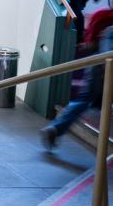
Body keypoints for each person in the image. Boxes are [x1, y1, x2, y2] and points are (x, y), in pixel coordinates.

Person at [41, 8, 113, 150]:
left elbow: (90, 43)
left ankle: (55, 128)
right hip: (105, 68)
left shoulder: (101, 14)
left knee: (84, 100)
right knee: (90, 101)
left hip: (96, 63)